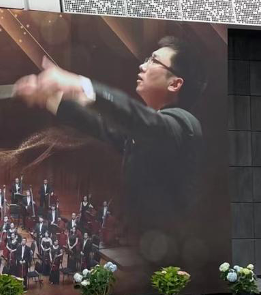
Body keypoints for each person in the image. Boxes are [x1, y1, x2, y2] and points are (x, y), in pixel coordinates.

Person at [14, 37, 206, 266]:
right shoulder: (147, 131)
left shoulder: (183, 123)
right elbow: (102, 127)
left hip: (176, 257)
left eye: (154, 60)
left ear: (175, 84)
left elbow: (143, 121)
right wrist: (52, 99)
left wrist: (80, 84)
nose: (142, 65)